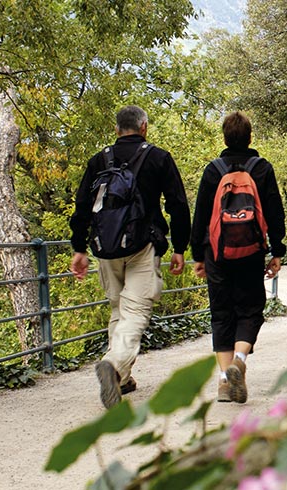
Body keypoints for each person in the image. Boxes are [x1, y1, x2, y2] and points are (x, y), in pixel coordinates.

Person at [69, 105, 191, 409]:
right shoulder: (158, 157)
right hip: (142, 245)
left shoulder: (99, 160)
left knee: (118, 308)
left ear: (116, 129)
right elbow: (177, 204)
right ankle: (113, 363)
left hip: (105, 248)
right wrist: (179, 247)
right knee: (135, 311)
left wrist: (79, 248)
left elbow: (82, 206)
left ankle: (122, 380)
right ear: (144, 127)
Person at [191, 111, 286, 404]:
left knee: (221, 314)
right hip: (251, 252)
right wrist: (277, 250)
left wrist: (198, 255)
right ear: (250, 137)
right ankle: (239, 361)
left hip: (217, 253)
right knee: (251, 310)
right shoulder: (262, 168)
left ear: (224, 137)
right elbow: (274, 211)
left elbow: (201, 216)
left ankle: (223, 383)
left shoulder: (213, 170)